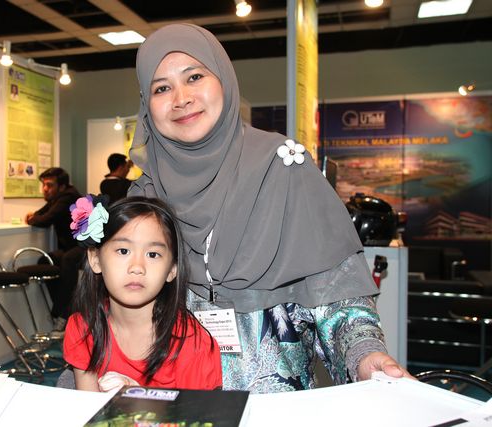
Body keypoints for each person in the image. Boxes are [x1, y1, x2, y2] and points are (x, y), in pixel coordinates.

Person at [128, 23, 413, 393]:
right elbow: (118, 310)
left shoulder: (283, 169)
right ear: (146, 104)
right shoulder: (145, 196)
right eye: (161, 88)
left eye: (194, 77)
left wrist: (364, 353)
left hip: (277, 406)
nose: (181, 98)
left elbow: (336, 293)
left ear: (224, 79)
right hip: (177, 403)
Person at [64, 195, 222, 392]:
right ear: (95, 259)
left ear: (172, 270)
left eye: (153, 254)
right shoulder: (83, 329)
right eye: (123, 251)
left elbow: (194, 411)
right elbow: (90, 406)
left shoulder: (193, 344)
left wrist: (139, 397)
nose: (137, 267)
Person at [25, 167, 83, 330]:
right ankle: (65, 310)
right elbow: (40, 214)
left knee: (68, 260)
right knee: (45, 261)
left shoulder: (68, 197)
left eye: (49, 185)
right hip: (72, 246)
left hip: (88, 247)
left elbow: (44, 220)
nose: (45, 189)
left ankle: (62, 314)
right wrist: (35, 217)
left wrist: (33, 219)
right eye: (44, 185)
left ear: (62, 186)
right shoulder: (57, 198)